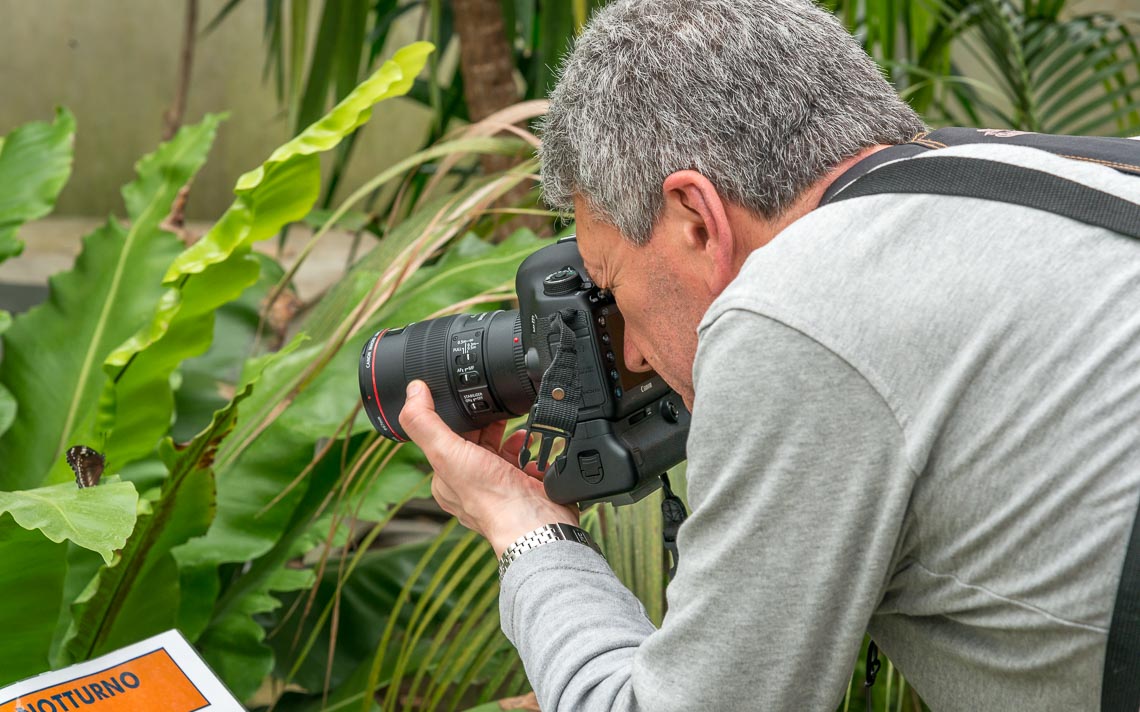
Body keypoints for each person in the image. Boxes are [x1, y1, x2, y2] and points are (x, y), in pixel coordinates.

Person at [397, 0, 1140, 709]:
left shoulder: (798, 308)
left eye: (612, 288)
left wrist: (527, 530)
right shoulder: (1053, 168)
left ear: (696, 219)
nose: (633, 353)